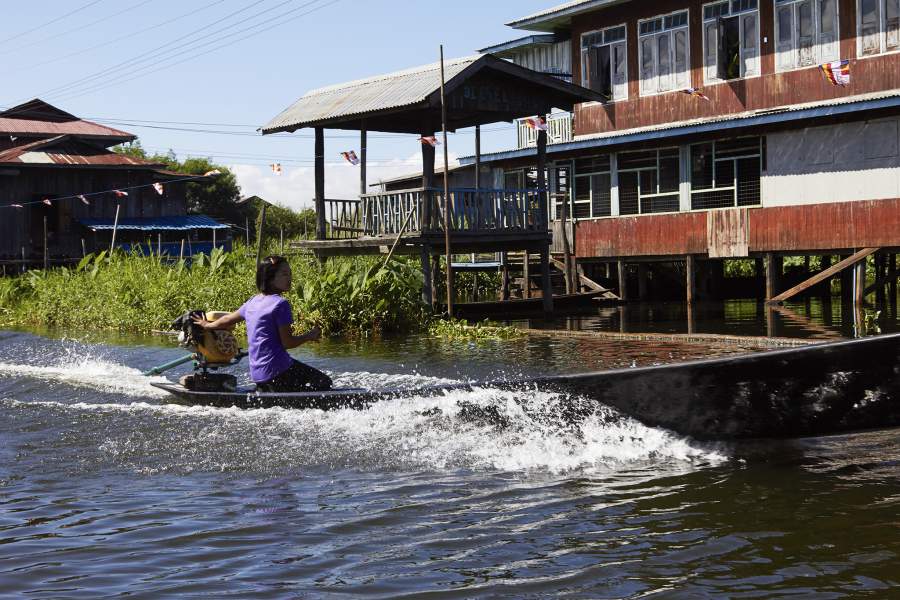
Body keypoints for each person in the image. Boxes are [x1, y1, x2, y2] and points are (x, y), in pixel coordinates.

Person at [193, 255, 332, 392]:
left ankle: (281, 392)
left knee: (295, 384)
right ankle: (295, 398)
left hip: (258, 374)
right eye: (284, 274)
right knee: (324, 382)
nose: (289, 278)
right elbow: (288, 343)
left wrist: (207, 325)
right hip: (278, 370)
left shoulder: (253, 301)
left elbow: (226, 320)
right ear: (269, 278)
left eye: (290, 273)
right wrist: (309, 335)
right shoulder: (280, 304)